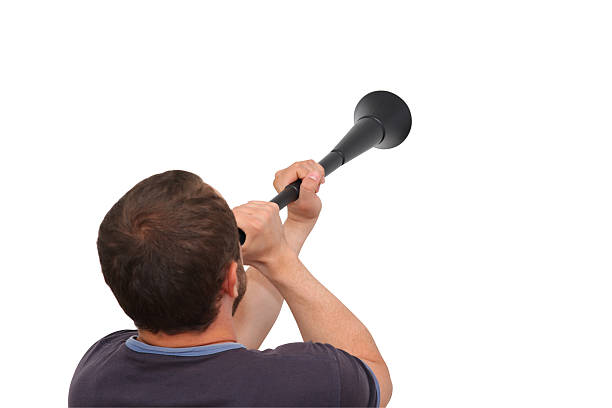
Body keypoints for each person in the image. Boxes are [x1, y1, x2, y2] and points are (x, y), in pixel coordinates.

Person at [68, 160, 392, 407]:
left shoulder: (95, 375)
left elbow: (224, 354)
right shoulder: (308, 381)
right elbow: (373, 374)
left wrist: (295, 226)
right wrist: (278, 258)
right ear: (232, 279)